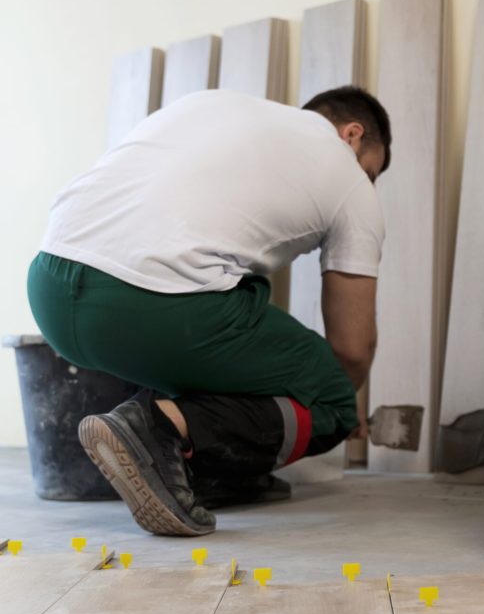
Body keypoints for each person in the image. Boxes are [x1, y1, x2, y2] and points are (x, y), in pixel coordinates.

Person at [27, 85, 391, 536]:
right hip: (144, 306)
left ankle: (192, 462)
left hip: (50, 288)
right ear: (353, 135)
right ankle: (159, 429)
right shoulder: (351, 183)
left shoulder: (211, 103)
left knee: (243, 290)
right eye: (371, 170)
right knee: (332, 398)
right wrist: (332, 405)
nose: (367, 182)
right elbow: (352, 349)